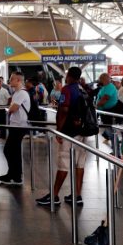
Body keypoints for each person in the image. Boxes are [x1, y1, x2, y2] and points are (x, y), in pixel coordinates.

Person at [36, 67, 87, 206]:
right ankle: (77, 195)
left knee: (63, 163)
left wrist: (59, 130)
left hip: (69, 132)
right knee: (79, 164)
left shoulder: (67, 89)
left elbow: (64, 110)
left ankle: (54, 195)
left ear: (69, 76)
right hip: (82, 132)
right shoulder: (82, 89)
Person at [0, 72, 29, 185]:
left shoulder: (21, 93)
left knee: (9, 150)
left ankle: (14, 175)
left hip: (19, 127)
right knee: (13, 151)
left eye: (12, 79)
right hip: (15, 126)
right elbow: (11, 107)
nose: (9, 80)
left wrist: (11, 108)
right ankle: (15, 175)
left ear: (18, 81)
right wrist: (10, 108)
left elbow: (13, 108)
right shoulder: (17, 93)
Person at [95, 73, 120, 143]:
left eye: (100, 79)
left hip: (109, 112)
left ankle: (116, 151)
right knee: (109, 130)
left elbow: (105, 99)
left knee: (111, 131)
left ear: (104, 79)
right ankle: (115, 149)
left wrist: (95, 106)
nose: (100, 81)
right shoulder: (105, 87)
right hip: (104, 112)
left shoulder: (110, 87)